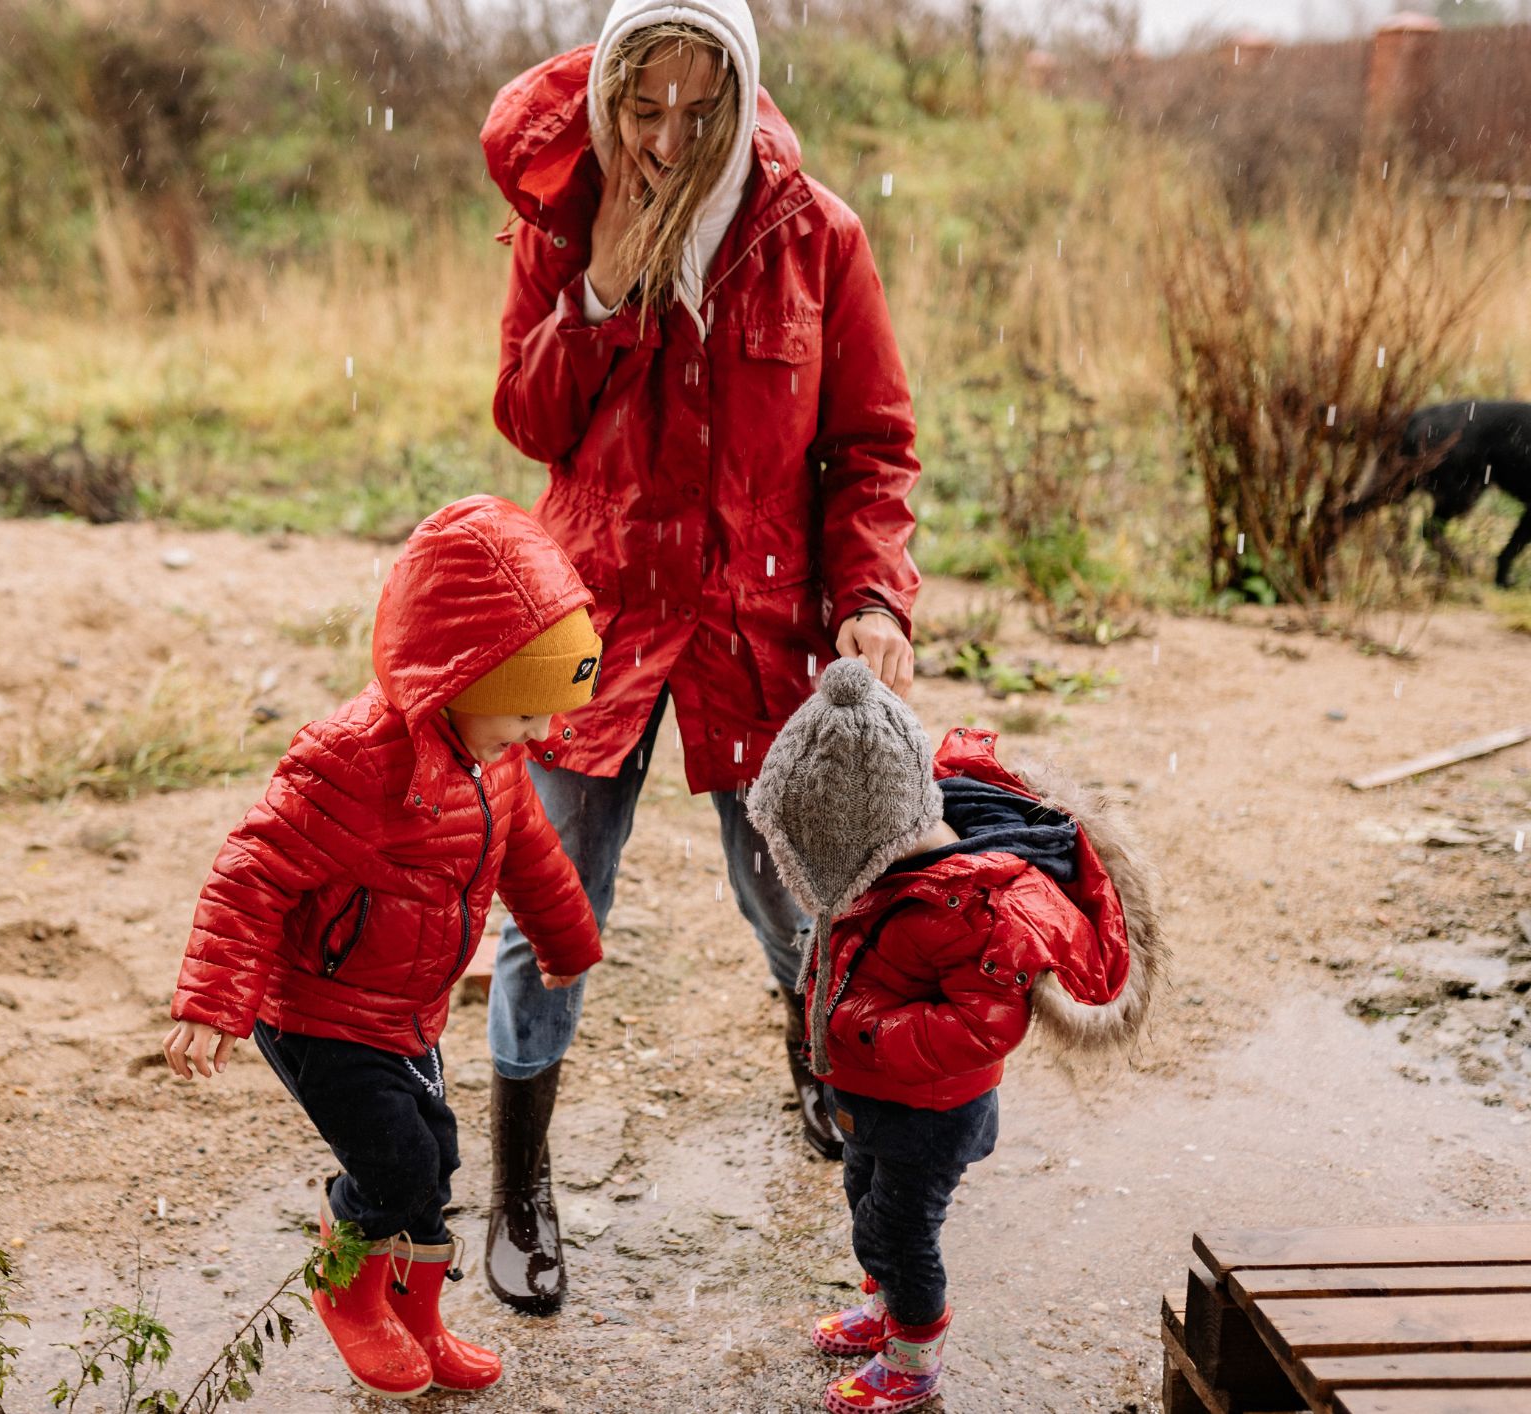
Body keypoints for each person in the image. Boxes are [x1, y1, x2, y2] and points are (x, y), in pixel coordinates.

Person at [477, 0, 924, 1311]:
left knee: (800, 896)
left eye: (697, 107)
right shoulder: (568, 222)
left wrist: (877, 598)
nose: (668, 140)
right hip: (597, 618)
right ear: (610, 93)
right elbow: (526, 417)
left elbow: (872, 448)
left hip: (759, 619)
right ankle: (518, 1189)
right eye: (641, 106)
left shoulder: (816, 236)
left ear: (741, 91)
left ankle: (820, 1070)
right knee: (549, 915)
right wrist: (600, 293)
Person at [162, 496, 606, 1398]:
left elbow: (529, 853)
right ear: (462, 678)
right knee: (393, 1165)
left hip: (408, 1009)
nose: (539, 735)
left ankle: (419, 1321)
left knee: (433, 1166)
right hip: (319, 1010)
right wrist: (213, 1001)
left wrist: (566, 937)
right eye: (524, 714)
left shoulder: (496, 759)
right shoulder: (354, 761)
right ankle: (346, 1295)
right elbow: (252, 870)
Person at [744, 659, 1164, 1411]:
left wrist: (867, 1031)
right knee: (863, 1195)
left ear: (874, 832)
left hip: (934, 1111)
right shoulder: (886, 875)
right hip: (876, 1095)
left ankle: (914, 1352)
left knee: (899, 1231)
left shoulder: (971, 908)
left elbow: (987, 1024)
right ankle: (885, 1308)